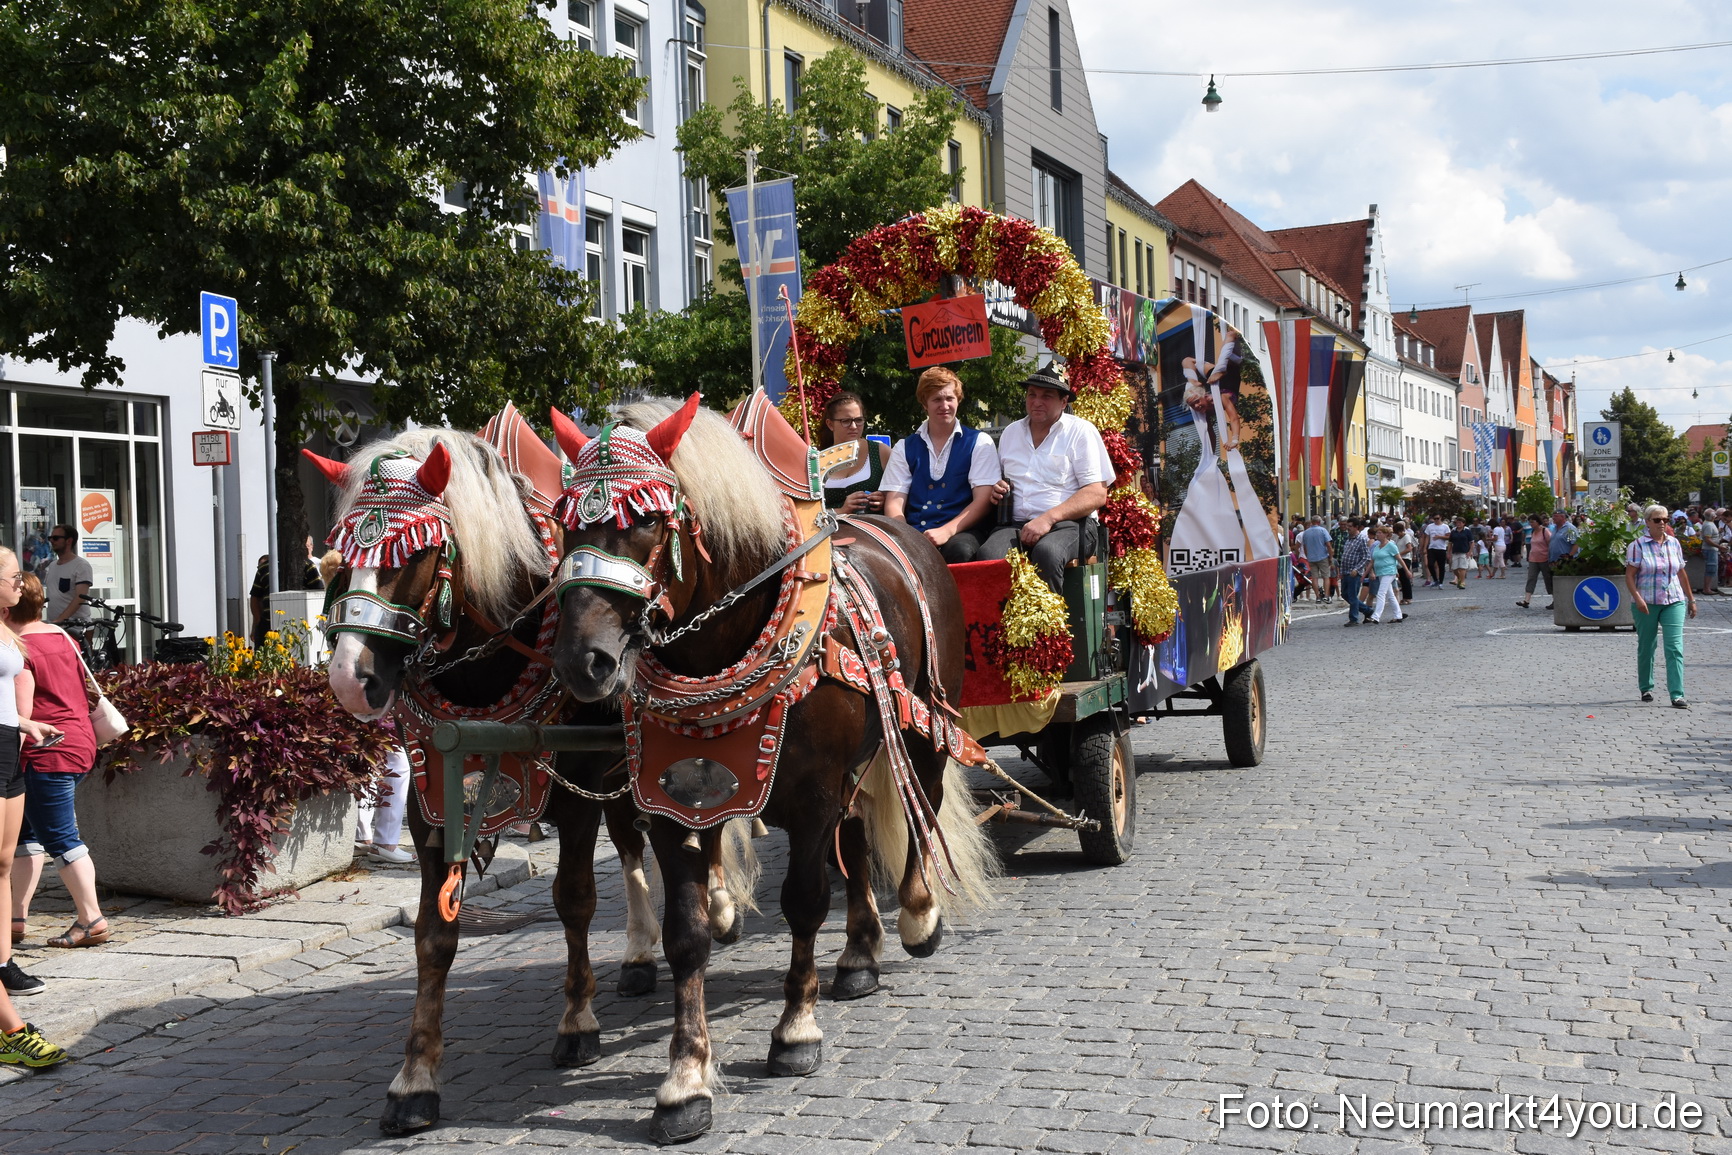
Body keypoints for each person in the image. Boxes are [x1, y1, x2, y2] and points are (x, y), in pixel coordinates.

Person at [8, 574, 108, 951]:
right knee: (27, 834)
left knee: (60, 838)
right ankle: (15, 919)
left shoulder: (20, 649)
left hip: (46, 751)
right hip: (79, 742)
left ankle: (91, 918)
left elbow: (23, 714)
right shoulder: (59, 635)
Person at [977, 367, 1113, 593]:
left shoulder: (1081, 431)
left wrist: (1048, 519)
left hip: (1071, 525)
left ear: (1063, 401)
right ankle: (1001, 626)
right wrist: (997, 487)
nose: (1037, 401)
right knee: (988, 556)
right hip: (1015, 524)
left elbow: (1097, 493)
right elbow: (1000, 482)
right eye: (1032, 394)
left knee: (1047, 553)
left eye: (1046, 396)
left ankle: (1050, 626)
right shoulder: (1011, 432)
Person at [0, 553, 67, 1002]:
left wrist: (26, 725)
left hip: (9, 744)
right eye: (12, 577)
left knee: (4, 865)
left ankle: (3, 961)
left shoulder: (6, 629)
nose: (20, 584)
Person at [881, 367, 1002, 562]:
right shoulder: (904, 447)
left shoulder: (980, 442)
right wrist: (906, 537)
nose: (944, 405)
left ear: (958, 400)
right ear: (924, 404)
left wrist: (947, 531)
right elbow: (894, 503)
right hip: (915, 531)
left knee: (960, 550)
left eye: (949, 399)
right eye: (936, 399)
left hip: (963, 531)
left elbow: (983, 501)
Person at [1625, 503, 1697, 708]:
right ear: (1647, 522)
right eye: (1657, 520)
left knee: (1674, 647)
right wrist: (1637, 598)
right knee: (1647, 645)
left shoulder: (1674, 543)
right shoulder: (1637, 545)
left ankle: (1677, 694)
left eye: (1666, 520)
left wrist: (1691, 599)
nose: (1662, 523)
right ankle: (1646, 686)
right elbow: (1629, 575)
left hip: (1674, 600)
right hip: (1646, 602)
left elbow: (1681, 572)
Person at [818, 392, 892, 516]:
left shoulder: (880, 452)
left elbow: (899, 494)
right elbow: (804, 512)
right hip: (828, 531)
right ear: (830, 424)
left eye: (858, 420)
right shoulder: (817, 461)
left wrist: (884, 499)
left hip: (871, 530)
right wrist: (840, 511)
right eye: (845, 421)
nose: (853, 426)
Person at [249, 536, 324, 647]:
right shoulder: (264, 568)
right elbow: (255, 597)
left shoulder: (308, 566)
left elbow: (318, 595)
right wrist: (259, 621)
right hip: (267, 625)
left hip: (299, 626)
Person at [40, 525, 91, 626]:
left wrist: (61, 619)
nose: (52, 541)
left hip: (77, 626)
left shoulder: (81, 565)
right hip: (55, 625)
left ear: (69, 541)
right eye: (50, 538)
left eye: (56, 538)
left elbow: (80, 597)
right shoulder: (52, 565)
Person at [1366, 524, 1408, 624]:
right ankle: (1398, 615)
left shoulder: (1391, 545)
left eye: (1380, 533)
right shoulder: (1376, 546)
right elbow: (1372, 561)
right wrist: (1365, 574)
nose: (1377, 534)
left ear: (1385, 534)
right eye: (1377, 533)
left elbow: (1399, 559)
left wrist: (1406, 571)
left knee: (1381, 593)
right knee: (1390, 595)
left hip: (1389, 572)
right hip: (1380, 572)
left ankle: (1376, 616)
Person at [1337, 519, 1373, 626]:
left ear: (1356, 527)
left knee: (1352, 596)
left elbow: (1366, 557)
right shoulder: (1348, 539)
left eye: (1350, 526)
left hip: (1354, 572)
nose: (1348, 528)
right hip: (1345, 572)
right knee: (1345, 594)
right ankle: (1367, 610)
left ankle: (1354, 618)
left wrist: (1357, 569)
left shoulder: (1361, 539)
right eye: (1347, 526)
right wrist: (1341, 571)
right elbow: (1345, 555)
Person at [1516, 513, 1553, 608]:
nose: (1531, 524)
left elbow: (1551, 544)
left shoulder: (1545, 531)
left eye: (1532, 522)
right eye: (1530, 522)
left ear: (1537, 522)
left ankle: (1555, 599)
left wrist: (1551, 558)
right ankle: (1526, 600)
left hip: (1544, 559)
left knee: (1548, 579)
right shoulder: (1533, 532)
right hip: (1533, 559)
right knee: (1531, 578)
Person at [1299, 517, 1333, 603]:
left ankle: (1317, 596)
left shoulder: (1306, 532)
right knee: (1326, 577)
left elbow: (1304, 546)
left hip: (1311, 557)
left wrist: (1308, 556)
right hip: (1323, 556)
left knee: (1314, 577)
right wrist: (1331, 556)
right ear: (1319, 522)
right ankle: (1326, 596)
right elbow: (1328, 545)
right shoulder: (1323, 530)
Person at [1447, 517, 1476, 589]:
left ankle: (1462, 582)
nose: (1458, 524)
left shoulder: (1467, 531)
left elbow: (1472, 542)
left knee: (1462, 567)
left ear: (1463, 523)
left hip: (1464, 551)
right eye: (1457, 522)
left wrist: (1470, 551)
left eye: (1460, 523)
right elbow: (1450, 543)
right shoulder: (1453, 531)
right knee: (1454, 568)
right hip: (1455, 551)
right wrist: (1448, 552)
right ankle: (1459, 578)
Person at [1422, 515, 1451, 587]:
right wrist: (1425, 547)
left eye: (1437, 518)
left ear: (1440, 518)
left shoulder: (1445, 526)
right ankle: (1435, 579)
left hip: (1441, 548)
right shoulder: (1430, 526)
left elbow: (1449, 537)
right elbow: (1427, 537)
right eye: (1434, 519)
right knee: (1430, 564)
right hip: (1432, 548)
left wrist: (1440, 537)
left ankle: (1441, 582)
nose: (1436, 520)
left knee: (1441, 566)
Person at [1393, 519, 1416, 604]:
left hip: (1405, 558)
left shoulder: (1406, 536)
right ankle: (1405, 597)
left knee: (1405, 578)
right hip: (1399, 559)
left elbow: (1409, 548)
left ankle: (1408, 597)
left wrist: (1398, 554)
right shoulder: (1397, 537)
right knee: (1401, 579)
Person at [1698, 508, 1721, 595]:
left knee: (1712, 569)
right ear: (1712, 516)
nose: (1716, 515)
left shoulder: (1709, 524)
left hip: (1711, 549)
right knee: (1710, 569)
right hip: (1710, 549)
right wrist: (1718, 546)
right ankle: (1706, 589)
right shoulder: (1708, 525)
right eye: (1714, 514)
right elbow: (1707, 539)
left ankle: (1707, 588)